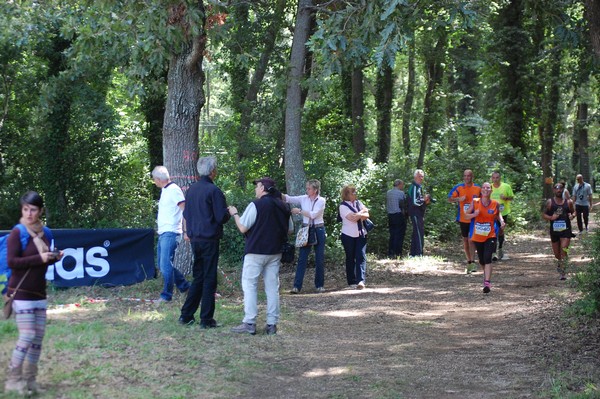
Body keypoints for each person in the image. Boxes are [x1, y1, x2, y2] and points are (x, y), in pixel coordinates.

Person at [5, 191, 64, 394]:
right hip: (20, 293)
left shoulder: (45, 232)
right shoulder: (18, 232)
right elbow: (12, 262)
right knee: (27, 335)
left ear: (40, 211)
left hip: (39, 293)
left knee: (38, 339)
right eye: (25, 209)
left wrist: (54, 257)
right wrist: (41, 258)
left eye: (33, 210)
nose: (29, 214)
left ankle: (30, 380)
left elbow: (44, 259)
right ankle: (13, 380)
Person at [228, 178, 292, 335]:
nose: (255, 189)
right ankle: (272, 324)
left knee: (250, 285)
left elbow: (243, 227)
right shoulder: (283, 206)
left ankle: (249, 322)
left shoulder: (256, 205)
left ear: (263, 188)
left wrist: (235, 214)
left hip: (255, 251)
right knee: (272, 288)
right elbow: (289, 229)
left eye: (257, 186)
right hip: (275, 252)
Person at [178, 156, 231, 328]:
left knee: (198, 276)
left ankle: (186, 315)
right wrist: (229, 211)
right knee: (209, 278)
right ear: (213, 171)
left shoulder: (191, 190)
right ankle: (206, 319)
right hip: (209, 239)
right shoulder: (214, 191)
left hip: (195, 239)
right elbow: (221, 217)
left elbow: (186, 214)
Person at [152, 166, 190, 302]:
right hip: (164, 232)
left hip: (171, 232)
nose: (154, 182)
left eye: (154, 179)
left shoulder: (174, 190)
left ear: (158, 179)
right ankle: (185, 287)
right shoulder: (165, 190)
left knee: (165, 264)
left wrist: (186, 230)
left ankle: (166, 295)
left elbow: (184, 209)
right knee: (163, 264)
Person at [284, 179, 326, 293]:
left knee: (319, 258)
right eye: (306, 188)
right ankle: (297, 286)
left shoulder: (321, 200)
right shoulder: (303, 198)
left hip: (318, 229)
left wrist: (300, 211)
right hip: (306, 229)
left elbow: (313, 215)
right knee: (302, 258)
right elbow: (289, 198)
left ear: (315, 190)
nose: (307, 190)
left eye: (309, 188)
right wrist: (276, 193)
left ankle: (319, 285)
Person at [464, 183, 505, 293]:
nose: (486, 189)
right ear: (481, 190)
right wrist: (474, 214)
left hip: (490, 235)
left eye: (488, 188)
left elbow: (498, 214)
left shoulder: (495, 203)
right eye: (484, 187)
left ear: (491, 191)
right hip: (478, 236)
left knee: (487, 258)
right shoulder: (475, 202)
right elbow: (466, 215)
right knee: (482, 260)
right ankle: (486, 274)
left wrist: (501, 221)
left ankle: (487, 283)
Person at [447, 169, 481, 273]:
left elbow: (485, 200)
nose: (467, 178)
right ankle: (469, 261)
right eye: (465, 176)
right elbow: (449, 198)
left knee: (472, 240)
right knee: (466, 240)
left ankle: (473, 261)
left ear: (472, 177)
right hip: (463, 218)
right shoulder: (459, 188)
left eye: (469, 176)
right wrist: (459, 199)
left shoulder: (478, 188)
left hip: (474, 218)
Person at [542, 182, 576, 280]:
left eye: (560, 188)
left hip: (566, 230)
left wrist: (572, 216)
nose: (558, 190)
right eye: (556, 188)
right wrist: (551, 217)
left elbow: (573, 212)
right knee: (557, 254)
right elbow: (544, 214)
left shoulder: (568, 202)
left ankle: (563, 272)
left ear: (563, 189)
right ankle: (560, 262)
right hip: (555, 231)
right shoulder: (550, 202)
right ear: (553, 190)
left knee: (564, 249)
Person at [339, 184, 370, 289]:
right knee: (350, 257)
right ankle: (351, 281)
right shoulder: (342, 206)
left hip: (361, 234)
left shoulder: (358, 203)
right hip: (348, 235)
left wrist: (360, 214)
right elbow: (352, 218)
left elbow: (367, 216)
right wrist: (362, 212)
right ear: (347, 194)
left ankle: (360, 281)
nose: (355, 194)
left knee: (361, 256)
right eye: (353, 192)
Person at [490, 171, 514, 260]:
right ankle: (493, 252)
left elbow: (512, 197)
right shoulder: (489, 187)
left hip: (503, 212)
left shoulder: (506, 186)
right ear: (491, 178)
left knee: (500, 231)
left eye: (497, 178)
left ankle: (500, 248)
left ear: (500, 178)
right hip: (491, 214)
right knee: (493, 232)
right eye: (494, 178)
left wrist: (506, 198)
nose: (495, 179)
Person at [407, 169, 431, 257]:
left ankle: (413, 253)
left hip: (419, 213)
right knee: (418, 232)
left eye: (422, 176)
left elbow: (419, 200)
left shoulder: (419, 187)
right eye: (419, 176)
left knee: (417, 232)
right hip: (415, 213)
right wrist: (423, 200)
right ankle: (418, 254)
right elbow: (414, 202)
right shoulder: (414, 187)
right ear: (415, 176)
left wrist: (425, 201)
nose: (421, 178)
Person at [386, 179, 407, 258]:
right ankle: (398, 253)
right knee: (399, 234)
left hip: (390, 216)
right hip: (398, 215)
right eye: (402, 184)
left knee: (392, 234)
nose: (403, 186)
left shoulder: (388, 193)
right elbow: (404, 204)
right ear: (399, 185)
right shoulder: (401, 193)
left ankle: (391, 253)